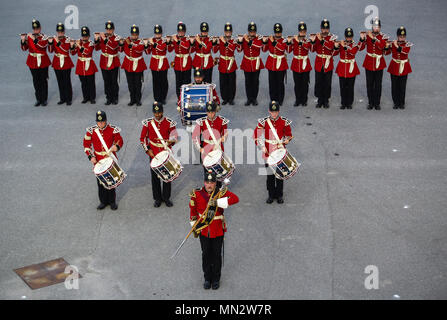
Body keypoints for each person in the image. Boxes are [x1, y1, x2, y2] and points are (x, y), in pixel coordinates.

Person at [189, 170, 239, 290]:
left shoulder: (220, 193)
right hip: (203, 229)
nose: (209, 185)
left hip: (217, 230)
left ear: (216, 183)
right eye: (207, 182)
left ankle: (216, 279)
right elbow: (193, 212)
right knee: (206, 254)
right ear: (204, 182)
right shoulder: (196, 194)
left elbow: (235, 199)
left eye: (212, 182)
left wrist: (217, 202)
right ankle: (207, 278)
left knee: (216, 255)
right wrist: (194, 226)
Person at [253, 101, 293, 204]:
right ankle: (271, 195)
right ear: (269, 111)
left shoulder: (284, 122)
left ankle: (279, 195)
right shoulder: (263, 122)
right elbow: (256, 135)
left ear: (278, 111)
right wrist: (262, 146)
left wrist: (286, 140)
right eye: (272, 111)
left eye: (275, 112)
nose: (274, 114)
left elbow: (289, 135)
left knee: (280, 174)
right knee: (270, 175)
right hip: (268, 152)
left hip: (280, 151)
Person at [83, 111, 123, 210]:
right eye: (98, 122)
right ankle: (103, 201)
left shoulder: (113, 130)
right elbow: (86, 145)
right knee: (100, 182)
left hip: (109, 158)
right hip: (98, 160)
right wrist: (91, 157)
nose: (100, 124)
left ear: (106, 121)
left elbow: (120, 140)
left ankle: (112, 202)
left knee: (111, 180)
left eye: (102, 122)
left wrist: (116, 147)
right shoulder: (91, 131)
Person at [140, 102, 178, 207]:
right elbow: (142, 139)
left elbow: (174, 136)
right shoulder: (148, 123)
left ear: (162, 112)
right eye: (155, 113)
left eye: (159, 112)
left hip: (166, 152)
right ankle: (157, 198)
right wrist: (148, 150)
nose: (157, 115)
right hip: (154, 153)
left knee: (167, 174)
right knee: (155, 176)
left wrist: (171, 141)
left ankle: (166, 198)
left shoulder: (169, 123)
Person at [359, 17, 391, 110]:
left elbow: (382, 47)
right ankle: (370, 102)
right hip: (369, 62)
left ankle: (377, 103)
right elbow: (360, 48)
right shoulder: (367, 35)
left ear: (380, 28)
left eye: (378, 27)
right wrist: (362, 39)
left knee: (378, 84)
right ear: (372, 27)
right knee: (369, 84)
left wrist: (373, 38)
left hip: (379, 62)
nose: (376, 28)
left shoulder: (384, 37)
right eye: (374, 26)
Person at [20, 19, 51, 107]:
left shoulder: (44, 37)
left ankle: (44, 99)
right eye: (34, 29)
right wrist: (23, 40)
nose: (35, 30)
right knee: (36, 80)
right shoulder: (29, 37)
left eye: (37, 29)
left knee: (43, 80)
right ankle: (38, 99)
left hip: (43, 61)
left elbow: (42, 45)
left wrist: (33, 38)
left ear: (40, 28)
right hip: (32, 60)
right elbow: (24, 48)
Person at [310, 19, 340, 108]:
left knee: (327, 82)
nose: (325, 30)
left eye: (326, 29)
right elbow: (312, 50)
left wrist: (322, 41)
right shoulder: (317, 37)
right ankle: (319, 100)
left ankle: (326, 100)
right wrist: (313, 41)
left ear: (329, 29)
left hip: (328, 62)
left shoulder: (333, 38)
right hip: (319, 62)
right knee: (318, 82)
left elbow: (332, 50)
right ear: (321, 28)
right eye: (323, 28)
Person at [238, 22, 267, 106]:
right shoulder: (244, 39)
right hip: (246, 62)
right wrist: (240, 41)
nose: (252, 33)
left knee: (255, 81)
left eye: (254, 31)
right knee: (247, 81)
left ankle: (254, 98)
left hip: (256, 63)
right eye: (251, 31)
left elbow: (259, 46)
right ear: (248, 31)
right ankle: (249, 98)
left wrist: (248, 40)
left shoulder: (259, 38)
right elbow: (239, 50)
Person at [95, 21, 121, 105]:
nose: (108, 31)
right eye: (107, 29)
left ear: (113, 29)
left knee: (114, 81)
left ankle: (115, 97)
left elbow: (113, 47)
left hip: (113, 61)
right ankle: (108, 97)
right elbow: (97, 48)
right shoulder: (103, 37)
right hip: (104, 61)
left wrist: (104, 39)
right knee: (106, 81)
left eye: (110, 29)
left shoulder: (117, 37)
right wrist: (96, 40)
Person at [120, 24, 147, 106]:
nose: (134, 36)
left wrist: (132, 45)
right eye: (132, 35)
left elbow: (140, 49)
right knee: (130, 83)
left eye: (135, 35)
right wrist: (121, 43)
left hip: (138, 64)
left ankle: (138, 99)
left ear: (138, 35)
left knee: (138, 83)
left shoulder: (141, 41)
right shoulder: (127, 40)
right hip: (128, 63)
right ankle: (132, 99)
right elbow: (121, 50)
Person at [335, 27, 361, 109]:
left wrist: (344, 47)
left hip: (351, 68)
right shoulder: (341, 44)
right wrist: (336, 47)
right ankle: (343, 103)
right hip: (342, 67)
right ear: (345, 36)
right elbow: (334, 53)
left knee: (350, 86)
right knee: (342, 86)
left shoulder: (355, 45)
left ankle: (349, 103)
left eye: (350, 37)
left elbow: (352, 53)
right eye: (347, 37)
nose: (349, 38)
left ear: (352, 37)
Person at [48, 22, 74, 106]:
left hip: (66, 62)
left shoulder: (67, 39)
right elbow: (50, 51)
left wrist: (58, 42)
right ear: (57, 32)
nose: (60, 33)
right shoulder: (54, 39)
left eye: (61, 32)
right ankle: (62, 98)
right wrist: (51, 43)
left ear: (64, 31)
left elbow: (66, 49)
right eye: (59, 32)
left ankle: (68, 98)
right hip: (57, 62)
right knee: (60, 81)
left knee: (67, 81)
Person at [288, 21, 312, 107]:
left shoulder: (308, 40)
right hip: (296, 64)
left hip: (305, 64)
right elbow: (289, 50)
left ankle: (304, 100)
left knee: (305, 83)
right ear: (298, 31)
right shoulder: (294, 39)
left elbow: (307, 48)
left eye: (304, 31)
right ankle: (298, 99)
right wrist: (289, 42)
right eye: (301, 31)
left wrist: (298, 41)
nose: (302, 33)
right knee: (297, 83)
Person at [214, 23, 238, 105]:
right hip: (223, 63)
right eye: (227, 32)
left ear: (231, 32)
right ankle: (224, 98)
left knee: (232, 82)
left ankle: (231, 98)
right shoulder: (220, 40)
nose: (228, 33)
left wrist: (224, 42)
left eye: (229, 32)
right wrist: (215, 42)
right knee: (223, 82)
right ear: (224, 32)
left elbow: (232, 49)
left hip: (231, 63)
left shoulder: (234, 40)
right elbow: (214, 50)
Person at [387, 26, 412, 109]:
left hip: (404, 67)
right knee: (394, 86)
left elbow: (405, 51)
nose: (402, 38)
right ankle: (395, 102)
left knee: (402, 86)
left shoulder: (407, 44)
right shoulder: (393, 43)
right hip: (394, 66)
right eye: (400, 36)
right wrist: (387, 46)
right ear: (397, 36)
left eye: (403, 37)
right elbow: (387, 52)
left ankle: (401, 102)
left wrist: (396, 45)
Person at [71, 26, 98, 104]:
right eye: (83, 36)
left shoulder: (91, 44)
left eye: (86, 36)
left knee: (91, 82)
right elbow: (73, 53)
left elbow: (87, 52)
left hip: (89, 64)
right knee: (83, 82)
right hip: (80, 65)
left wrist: (79, 45)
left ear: (89, 36)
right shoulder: (79, 42)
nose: (84, 38)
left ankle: (92, 97)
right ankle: (85, 97)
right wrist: (72, 45)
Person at [168, 22, 194, 99]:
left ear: (185, 32)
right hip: (178, 63)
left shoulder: (187, 39)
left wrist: (177, 41)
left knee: (187, 81)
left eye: (182, 31)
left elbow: (186, 47)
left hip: (187, 63)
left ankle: (187, 97)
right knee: (178, 82)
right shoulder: (175, 38)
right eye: (179, 31)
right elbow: (169, 50)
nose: (180, 33)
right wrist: (169, 41)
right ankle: (179, 98)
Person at [265, 23, 289, 106]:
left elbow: (282, 49)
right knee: (272, 82)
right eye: (276, 32)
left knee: (280, 82)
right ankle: (273, 98)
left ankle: (280, 99)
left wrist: (274, 42)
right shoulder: (270, 39)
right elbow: (264, 49)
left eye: (279, 33)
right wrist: (265, 42)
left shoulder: (284, 40)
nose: (278, 34)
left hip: (281, 62)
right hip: (271, 62)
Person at [146, 25, 170, 104]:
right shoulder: (152, 40)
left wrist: (152, 43)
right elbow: (148, 52)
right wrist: (146, 44)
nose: (157, 35)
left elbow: (162, 48)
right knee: (155, 81)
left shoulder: (164, 40)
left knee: (163, 81)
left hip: (163, 62)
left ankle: (163, 97)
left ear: (161, 33)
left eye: (159, 34)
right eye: (156, 34)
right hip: (154, 63)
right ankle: (156, 97)